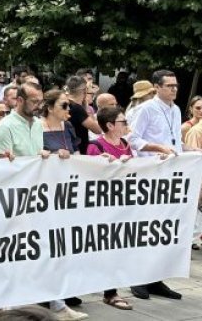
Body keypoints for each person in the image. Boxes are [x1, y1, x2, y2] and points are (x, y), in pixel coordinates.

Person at [128, 70, 186, 301]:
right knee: (145, 227)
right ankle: (137, 278)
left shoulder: (176, 109)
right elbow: (132, 139)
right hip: (150, 175)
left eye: (176, 86)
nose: (174, 89)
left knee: (163, 228)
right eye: (169, 86)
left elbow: (175, 141)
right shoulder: (146, 109)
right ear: (157, 87)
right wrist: (158, 148)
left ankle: (156, 277)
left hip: (171, 175)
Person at [86, 99, 133, 311]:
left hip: (122, 206)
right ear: (110, 125)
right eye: (123, 121)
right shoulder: (96, 146)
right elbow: (90, 176)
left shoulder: (125, 145)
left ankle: (111, 291)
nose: (126, 124)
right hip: (102, 208)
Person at [39, 90, 77, 156]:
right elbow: (33, 154)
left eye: (68, 105)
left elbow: (76, 151)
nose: (68, 108)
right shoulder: (37, 127)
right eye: (64, 105)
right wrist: (54, 154)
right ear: (50, 108)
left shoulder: (68, 125)